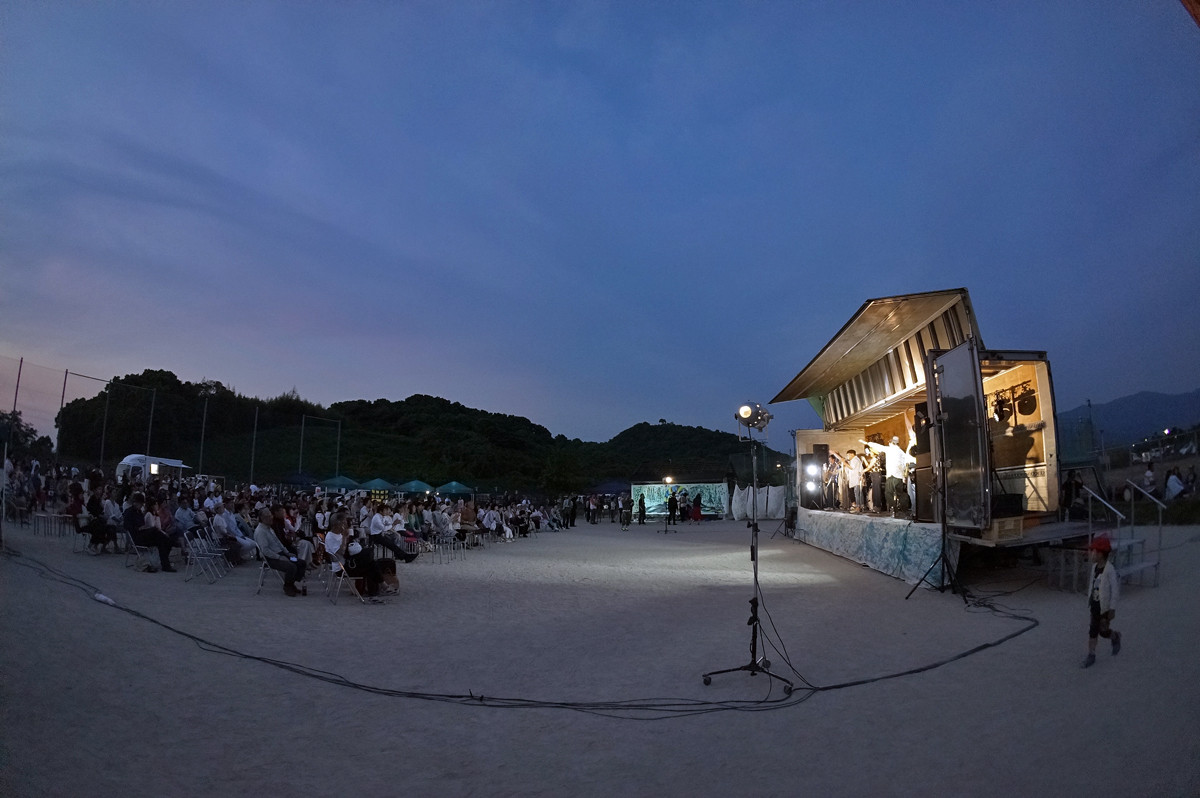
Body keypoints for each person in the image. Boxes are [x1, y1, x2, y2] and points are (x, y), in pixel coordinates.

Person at [1082, 535, 1122, 668]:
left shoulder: (1109, 570)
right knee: (1093, 630)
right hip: (1094, 605)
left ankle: (1115, 636)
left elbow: (1115, 589)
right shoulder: (1094, 567)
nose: (1091, 554)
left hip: (1104, 608)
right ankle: (1091, 654)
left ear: (1101, 554)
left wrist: (1112, 607)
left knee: (1103, 631)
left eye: (1094, 551)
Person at [254, 508, 307, 597]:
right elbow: (265, 551)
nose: (271, 518)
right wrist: (279, 557)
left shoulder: (269, 529)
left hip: (282, 554)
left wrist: (287, 553)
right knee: (291, 566)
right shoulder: (260, 532)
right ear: (262, 518)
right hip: (272, 558)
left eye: (271, 515)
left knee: (300, 562)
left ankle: (291, 582)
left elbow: (278, 543)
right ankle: (288, 586)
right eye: (268, 516)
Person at [122, 492, 175, 572]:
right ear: (135, 502)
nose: (141, 506)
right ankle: (165, 564)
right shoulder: (129, 512)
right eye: (140, 504)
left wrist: (144, 527)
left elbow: (143, 523)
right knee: (155, 531)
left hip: (144, 534)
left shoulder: (139, 512)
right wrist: (138, 528)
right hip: (136, 536)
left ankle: (165, 564)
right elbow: (126, 526)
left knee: (164, 541)